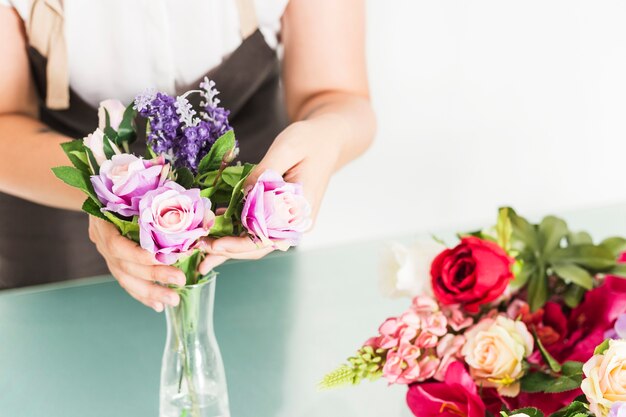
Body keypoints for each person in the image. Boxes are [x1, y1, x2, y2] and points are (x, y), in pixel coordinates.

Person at [0, 0, 376, 311]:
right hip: (57, 244)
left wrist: (327, 136)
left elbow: (337, 95)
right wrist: (111, 197)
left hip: (241, 249)